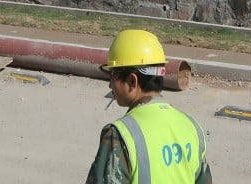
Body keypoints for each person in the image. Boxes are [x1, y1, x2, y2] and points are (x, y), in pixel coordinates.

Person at [85, 29, 212, 184]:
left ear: (132, 81)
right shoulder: (192, 127)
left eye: (113, 75)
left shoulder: (120, 135)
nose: (110, 84)